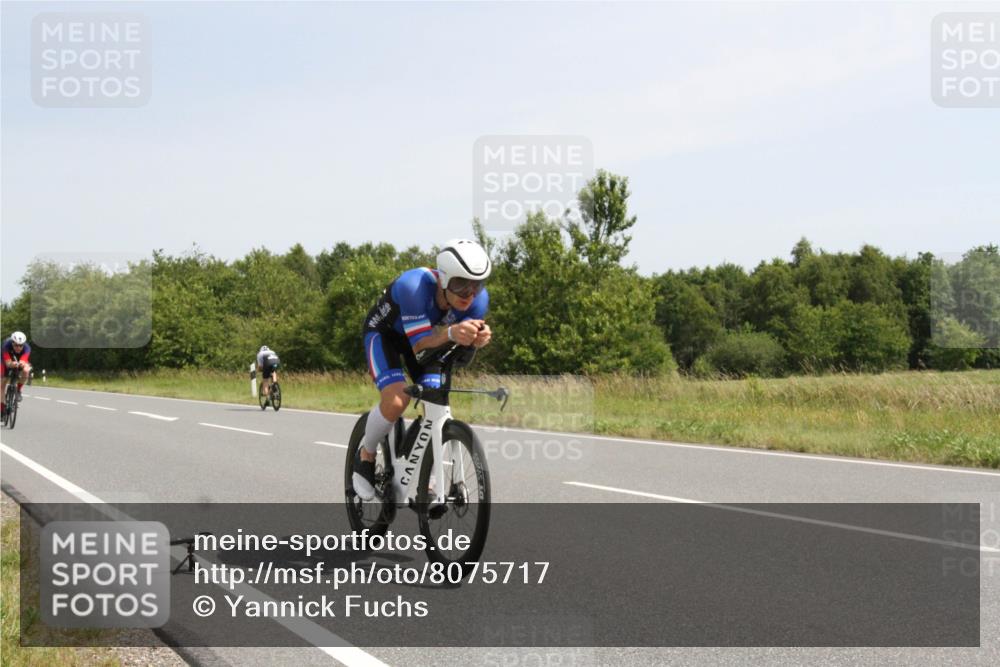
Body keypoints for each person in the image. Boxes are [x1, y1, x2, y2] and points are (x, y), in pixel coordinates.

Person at [353, 238, 493, 500]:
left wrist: (475, 341)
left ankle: (425, 479)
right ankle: (367, 454)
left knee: (435, 395)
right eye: (461, 285)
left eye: (477, 284)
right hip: (385, 336)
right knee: (397, 400)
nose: (469, 294)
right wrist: (452, 332)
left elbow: (458, 356)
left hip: (426, 341)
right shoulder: (413, 286)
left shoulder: (477, 301)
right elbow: (419, 348)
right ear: (443, 279)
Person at [2, 331, 31, 420]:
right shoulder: (6, 346)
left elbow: (23, 361)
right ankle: (1, 409)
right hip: (4, 361)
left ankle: (18, 390)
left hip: (18, 360)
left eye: (20, 345)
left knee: (26, 370)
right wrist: (12, 364)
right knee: (2, 384)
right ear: (12, 343)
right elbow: (8, 363)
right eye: (16, 345)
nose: (18, 347)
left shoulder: (27, 348)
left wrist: (21, 365)